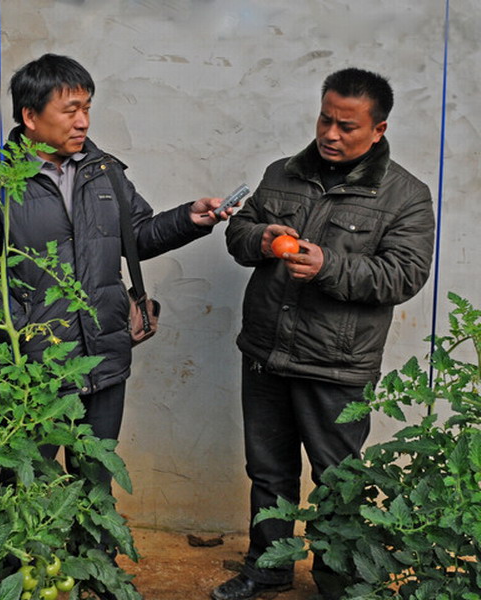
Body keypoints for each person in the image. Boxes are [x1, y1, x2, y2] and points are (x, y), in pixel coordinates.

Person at [0, 53, 233, 484]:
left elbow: (137, 236)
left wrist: (189, 218)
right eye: (70, 110)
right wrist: (25, 338)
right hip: (34, 372)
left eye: (87, 108)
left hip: (104, 360)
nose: (83, 122)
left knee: (95, 484)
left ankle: (95, 533)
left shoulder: (104, 172)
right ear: (30, 116)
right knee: (26, 488)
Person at [212, 68, 435, 600]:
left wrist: (329, 266)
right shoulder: (281, 173)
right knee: (268, 472)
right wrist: (261, 238)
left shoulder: (405, 195)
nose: (330, 134)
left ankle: (338, 583)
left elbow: (404, 275)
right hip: (265, 351)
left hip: (336, 365)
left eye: (347, 126)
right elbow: (239, 233)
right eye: (324, 119)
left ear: (378, 130)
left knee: (338, 479)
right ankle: (268, 568)